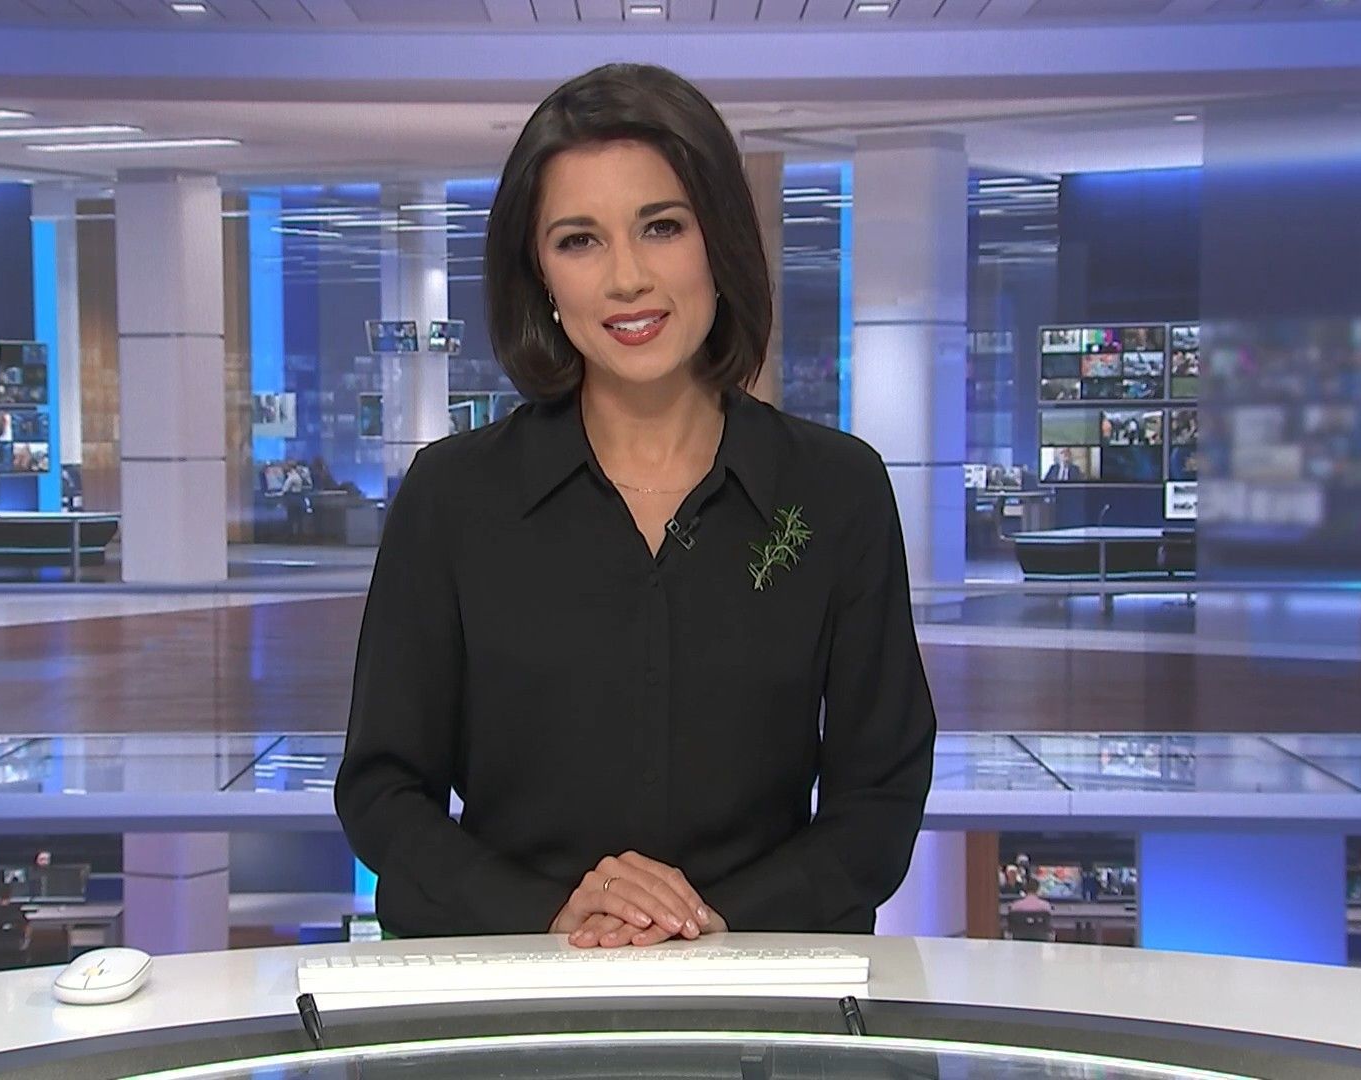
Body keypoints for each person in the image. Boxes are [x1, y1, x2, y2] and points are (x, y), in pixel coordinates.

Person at [335, 63, 936, 948]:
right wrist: (550, 917)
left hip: (762, 989)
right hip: (514, 985)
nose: (627, 278)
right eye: (579, 240)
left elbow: (880, 795)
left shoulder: (837, 491)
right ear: (539, 273)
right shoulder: (452, 497)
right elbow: (383, 792)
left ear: (718, 240)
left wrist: (712, 924)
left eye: (662, 227)